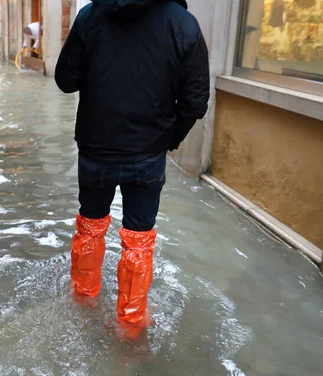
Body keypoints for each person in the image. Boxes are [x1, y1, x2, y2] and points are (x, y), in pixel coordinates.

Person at [55, 0, 209, 332]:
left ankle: (83, 298)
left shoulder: (90, 16)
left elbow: (65, 80)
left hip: (96, 151)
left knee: (90, 225)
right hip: (147, 155)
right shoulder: (182, 24)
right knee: (139, 239)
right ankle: (131, 323)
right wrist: (169, 138)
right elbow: (196, 100)